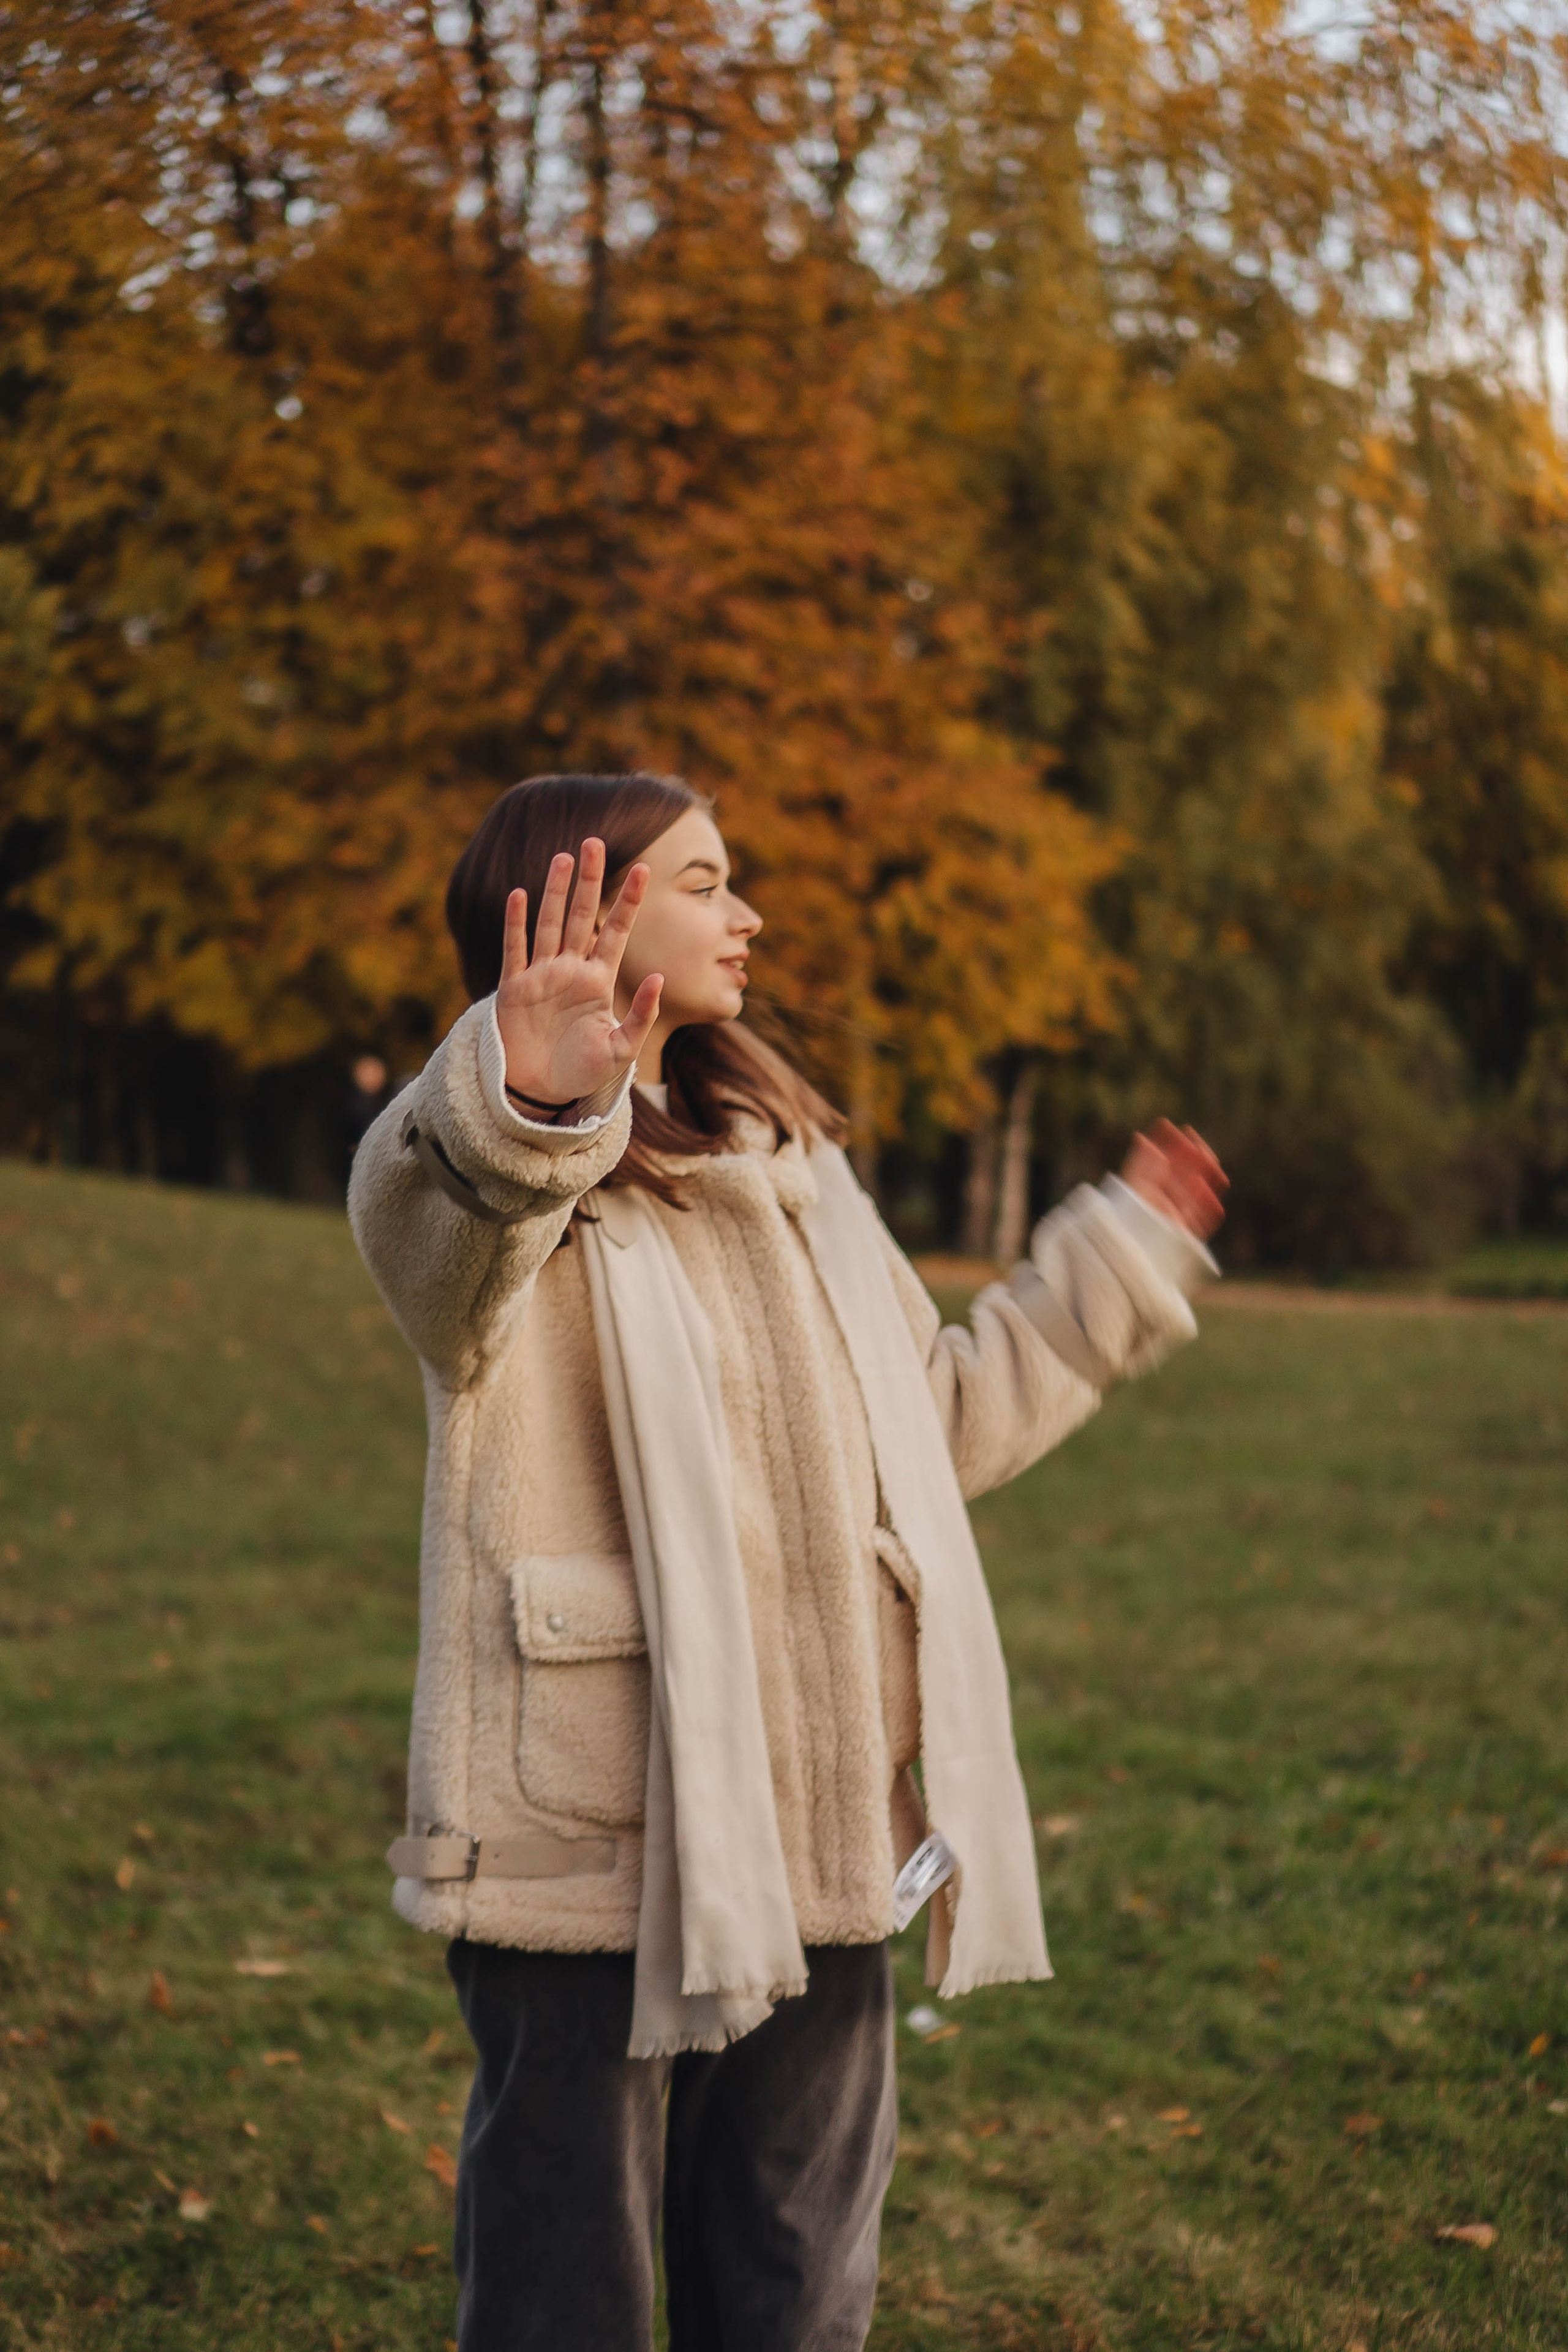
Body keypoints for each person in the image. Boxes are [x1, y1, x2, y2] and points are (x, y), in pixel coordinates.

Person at [347, 770, 1227, 2352]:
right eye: (704, 881)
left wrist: (1111, 1273)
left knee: (798, 2267)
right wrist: (537, 1103)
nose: (745, 914)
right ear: (590, 905)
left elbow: (934, 1427)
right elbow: (441, 1244)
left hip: (825, 1814)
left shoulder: (794, 1171)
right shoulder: (480, 1172)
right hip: (592, 1832)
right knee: (570, 2282)